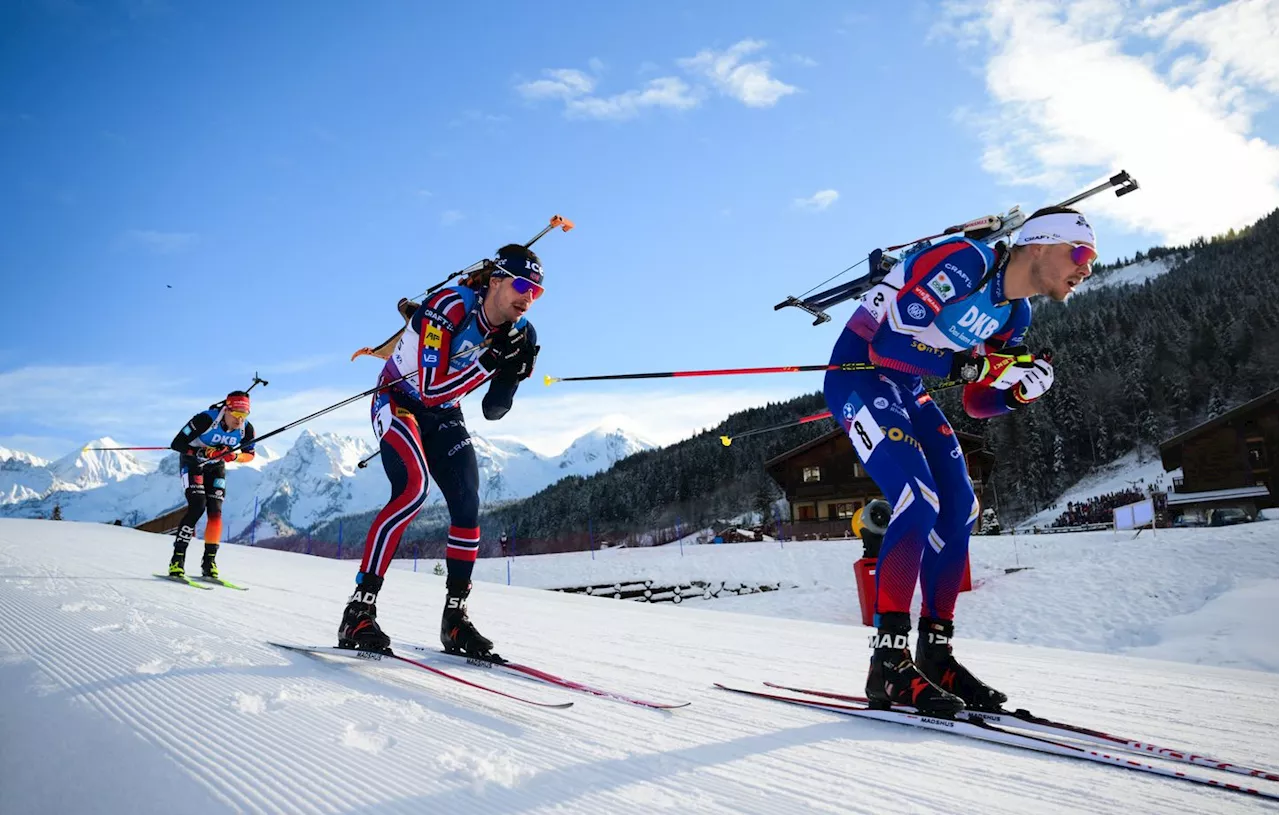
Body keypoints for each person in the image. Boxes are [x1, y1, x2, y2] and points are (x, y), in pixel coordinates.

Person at [823, 207, 1096, 715]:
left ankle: (936, 654)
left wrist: (1015, 395)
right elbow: (885, 346)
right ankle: (889, 663)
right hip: (859, 374)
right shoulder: (967, 262)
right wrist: (965, 364)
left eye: (1092, 261)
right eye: (1081, 254)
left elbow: (976, 402)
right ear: (1038, 246)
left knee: (960, 508)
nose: (1086, 269)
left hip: (907, 387)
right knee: (917, 500)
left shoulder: (1016, 314)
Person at [339, 244, 543, 656]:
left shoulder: (522, 333)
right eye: (522, 285)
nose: (528, 297)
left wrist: (514, 374)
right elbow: (430, 390)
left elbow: (492, 410)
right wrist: (488, 364)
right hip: (398, 398)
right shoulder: (447, 306)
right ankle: (358, 611)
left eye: (538, 292)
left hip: (445, 412)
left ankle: (454, 620)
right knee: (413, 490)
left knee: (467, 503)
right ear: (497, 280)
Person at [167, 391, 257, 579]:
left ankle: (209, 562)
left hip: (216, 468)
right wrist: (203, 452)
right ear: (226, 409)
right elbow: (177, 443)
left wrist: (234, 456)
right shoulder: (205, 420)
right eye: (237, 414)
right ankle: (177, 559)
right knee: (197, 506)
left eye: (245, 415)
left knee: (215, 512)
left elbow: (250, 454)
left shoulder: (246, 429)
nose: (240, 420)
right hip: (193, 464)